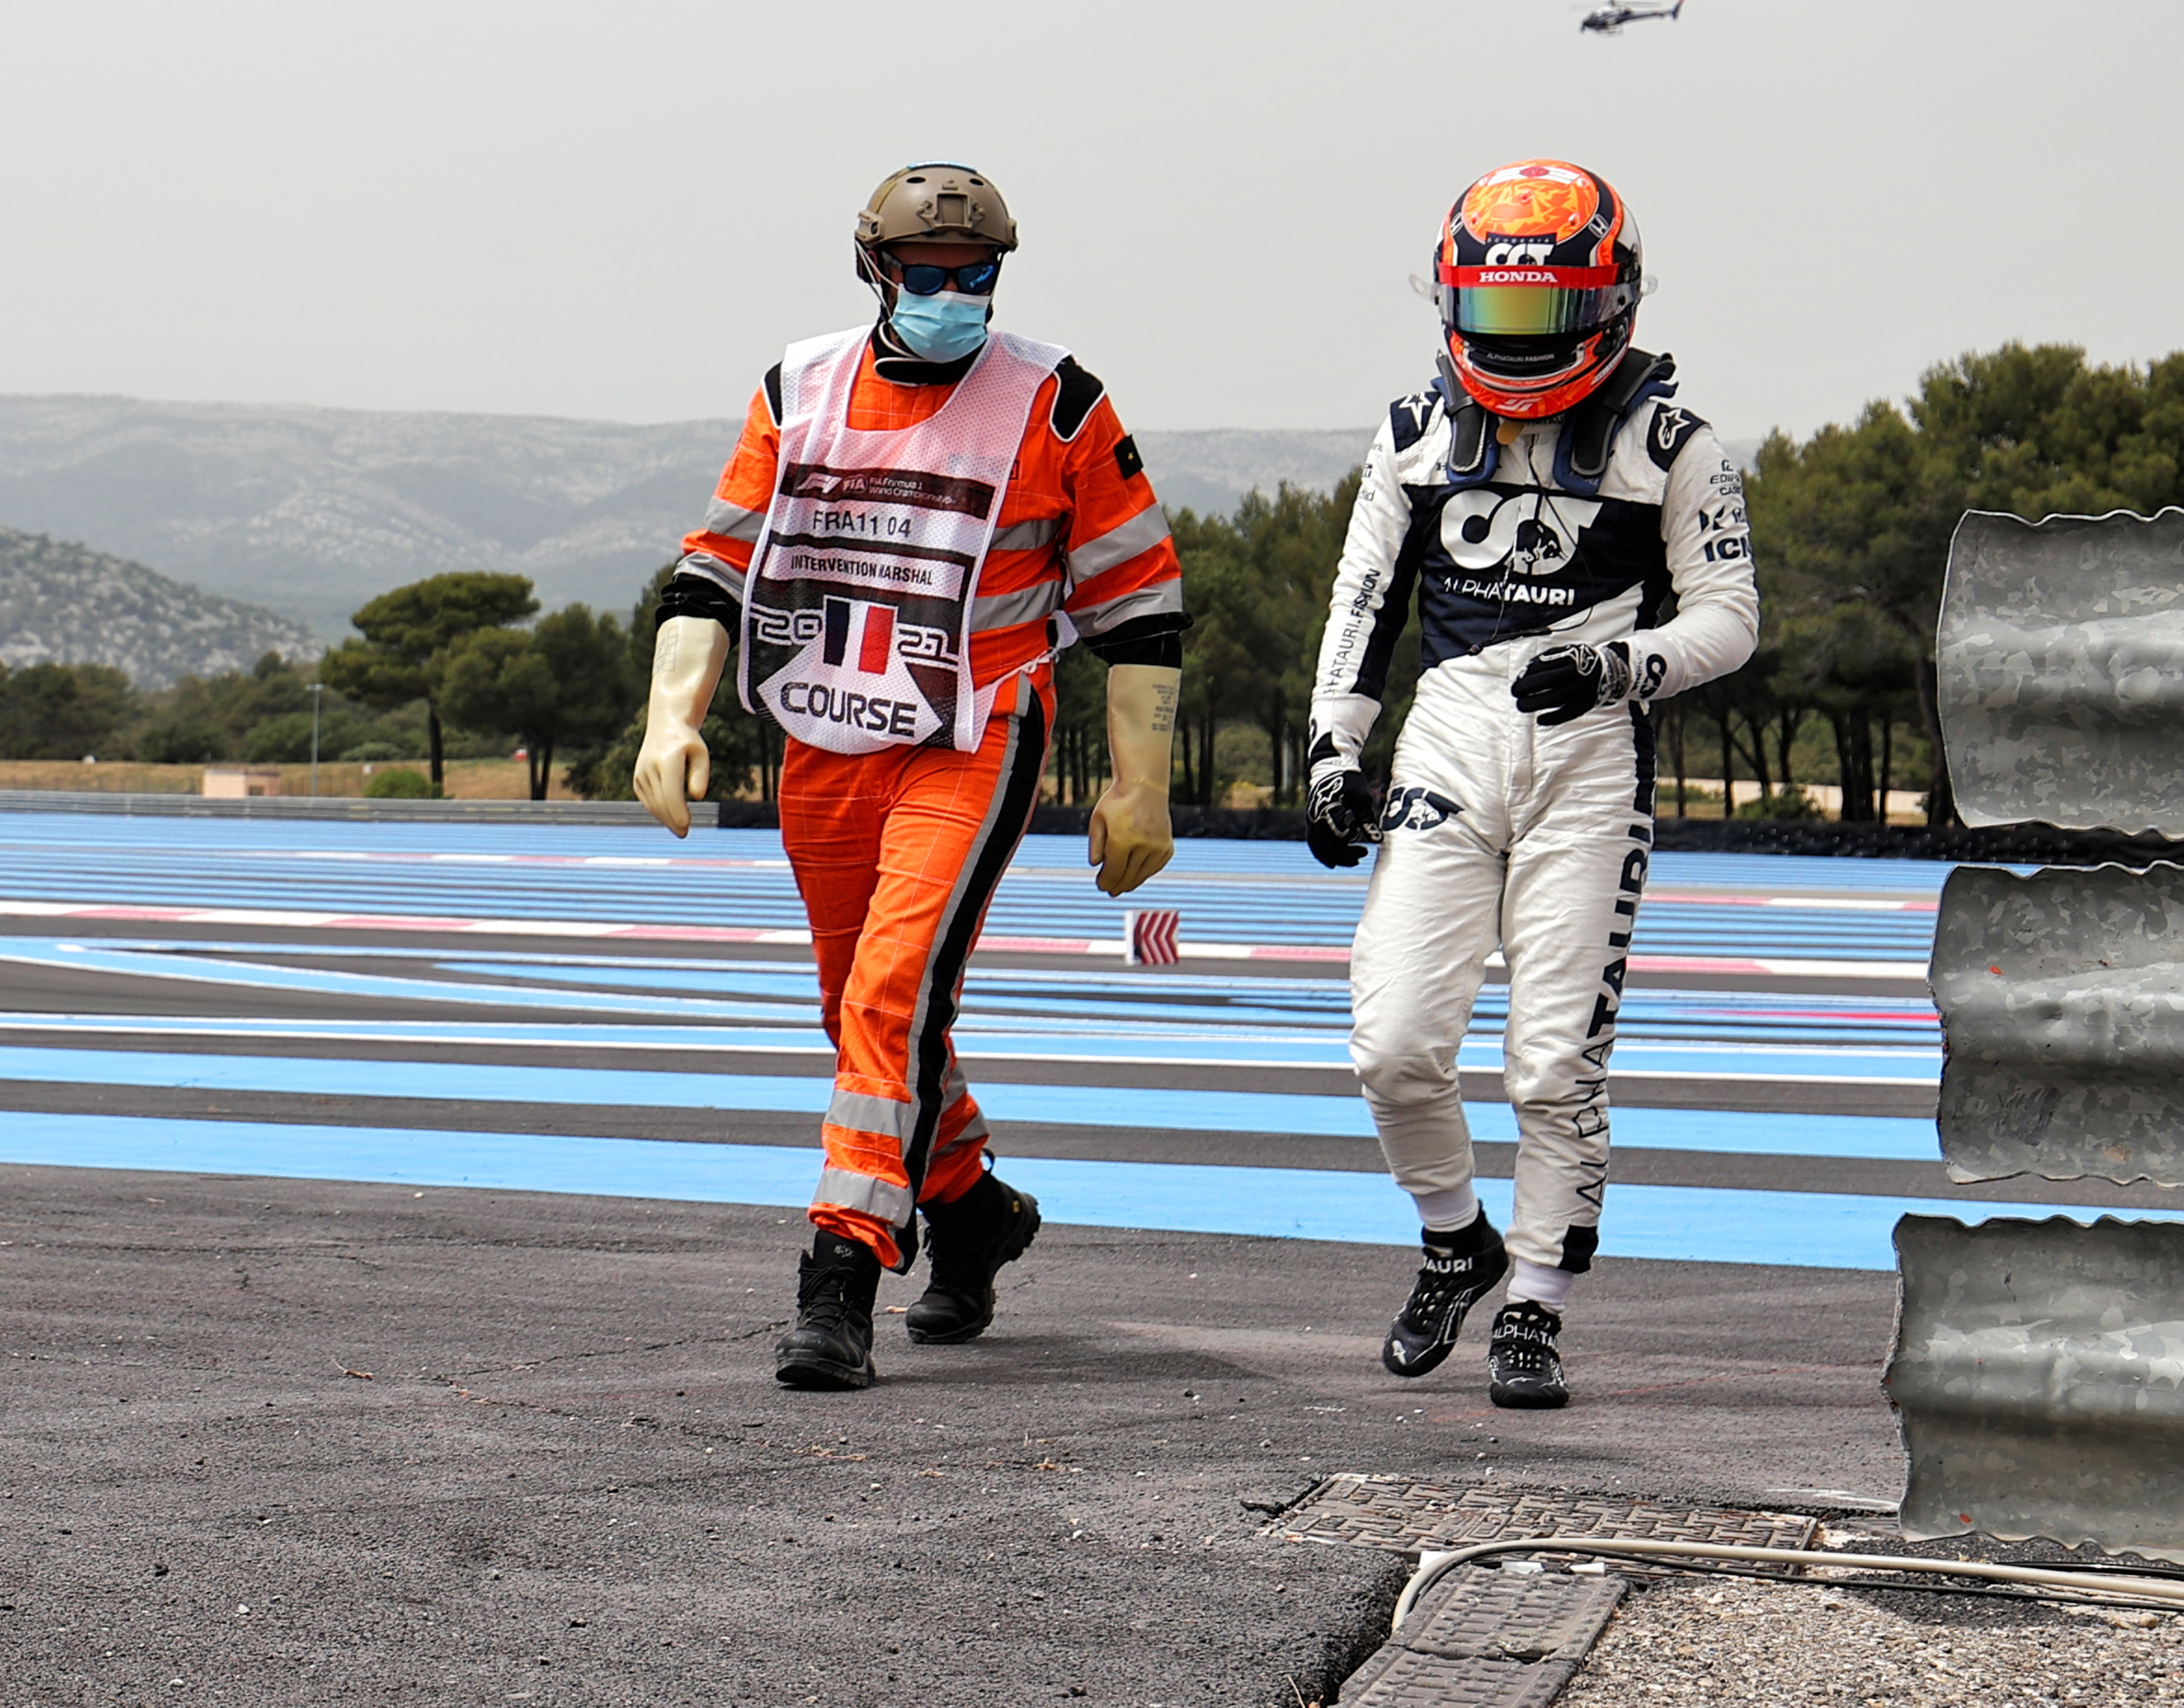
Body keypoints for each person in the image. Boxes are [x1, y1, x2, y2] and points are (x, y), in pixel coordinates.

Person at [633, 162, 1189, 1392]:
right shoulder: (800, 386)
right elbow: (711, 566)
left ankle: (839, 1277)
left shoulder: (1058, 404)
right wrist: (671, 714)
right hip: (824, 737)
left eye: (975, 276)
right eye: (927, 276)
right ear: (875, 271)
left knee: (893, 990)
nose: (952, 296)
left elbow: (1141, 608)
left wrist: (1138, 783)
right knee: (860, 1009)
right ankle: (974, 1207)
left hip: (971, 732)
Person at [1301, 160, 1758, 1410]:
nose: (1512, 352)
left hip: (1592, 760)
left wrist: (1621, 666)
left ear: (1610, 308)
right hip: (1447, 746)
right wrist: (1335, 747)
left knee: (1555, 1067)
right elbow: (1362, 602)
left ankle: (1539, 1307)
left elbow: (1730, 622)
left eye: (1539, 324)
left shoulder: (1678, 444)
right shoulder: (1409, 435)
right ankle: (1457, 1241)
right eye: (1492, 321)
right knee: (1393, 1044)